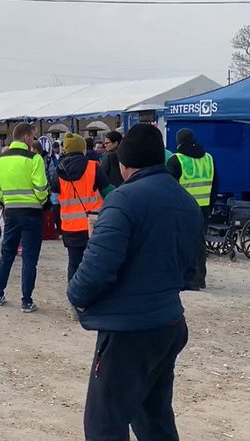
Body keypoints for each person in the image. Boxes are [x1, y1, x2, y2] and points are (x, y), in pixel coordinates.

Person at [67, 124, 202, 441]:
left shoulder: (123, 201)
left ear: (125, 165)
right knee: (154, 417)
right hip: (168, 322)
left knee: (105, 424)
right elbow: (190, 270)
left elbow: (97, 268)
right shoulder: (186, 201)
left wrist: (76, 295)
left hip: (129, 331)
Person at [0, 123, 48, 312]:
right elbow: (40, 187)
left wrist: (6, 199)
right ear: (27, 137)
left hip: (11, 211)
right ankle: (26, 300)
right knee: (29, 258)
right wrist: (40, 200)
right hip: (31, 212)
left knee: (7, 253)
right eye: (34, 136)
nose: (34, 140)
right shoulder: (34, 158)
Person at [50, 133, 114, 287]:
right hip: (93, 225)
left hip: (70, 227)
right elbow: (110, 193)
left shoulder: (58, 172)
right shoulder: (93, 167)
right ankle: (94, 296)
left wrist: (59, 227)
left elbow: (55, 203)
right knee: (95, 262)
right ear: (82, 149)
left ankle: (75, 296)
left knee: (74, 263)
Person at [167, 128, 217, 290]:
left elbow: (168, 187)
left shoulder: (176, 160)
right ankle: (199, 278)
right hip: (203, 208)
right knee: (200, 243)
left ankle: (185, 279)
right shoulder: (208, 158)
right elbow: (215, 185)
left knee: (181, 243)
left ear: (178, 141)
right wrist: (210, 205)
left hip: (181, 209)